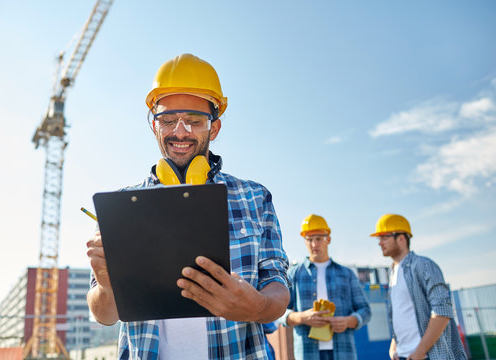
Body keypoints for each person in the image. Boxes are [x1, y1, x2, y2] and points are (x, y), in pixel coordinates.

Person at [86, 53, 290, 360]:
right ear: (154, 126)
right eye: (168, 120)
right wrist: (105, 283)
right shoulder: (119, 208)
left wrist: (258, 307)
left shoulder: (255, 197)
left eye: (194, 121)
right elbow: (105, 315)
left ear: (215, 128)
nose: (180, 132)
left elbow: (277, 285)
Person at [370, 214, 467, 360]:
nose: (380, 243)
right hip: (404, 355)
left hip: (427, 356)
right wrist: (394, 347)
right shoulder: (393, 273)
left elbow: (442, 311)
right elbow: (402, 315)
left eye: (384, 237)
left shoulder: (424, 265)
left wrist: (420, 351)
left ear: (401, 238)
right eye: (379, 238)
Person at [278, 214, 371, 360]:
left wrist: (348, 321)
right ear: (304, 241)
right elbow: (279, 312)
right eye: (309, 239)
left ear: (328, 239)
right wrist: (302, 317)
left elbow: (365, 310)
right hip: (308, 352)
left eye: (318, 239)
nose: (314, 244)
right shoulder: (293, 275)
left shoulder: (347, 274)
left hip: (343, 351)